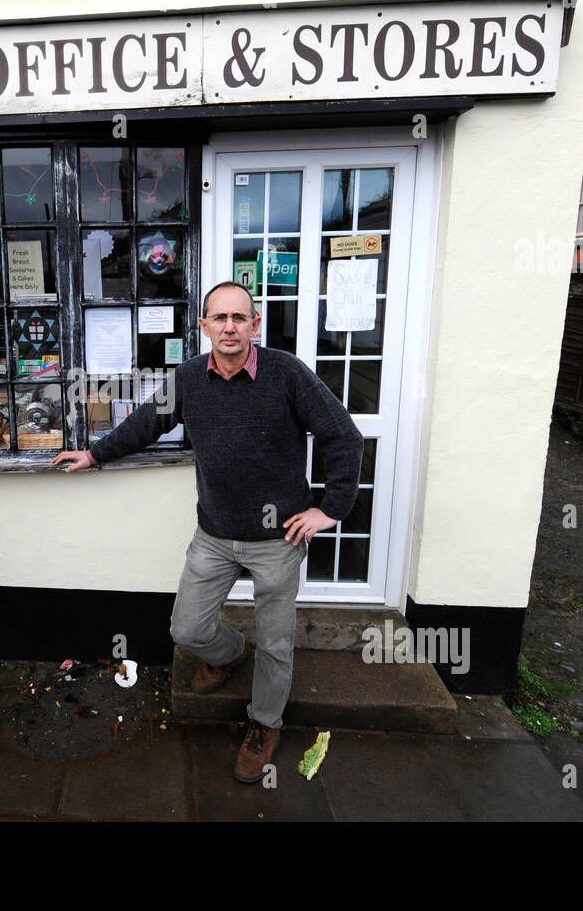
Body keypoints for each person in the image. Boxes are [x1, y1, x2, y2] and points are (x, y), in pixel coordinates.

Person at [53, 280, 364, 782]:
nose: (229, 327)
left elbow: (342, 435)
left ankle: (265, 724)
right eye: (219, 318)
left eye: (239, 318)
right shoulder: (190, 379)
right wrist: (93, 454)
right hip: (215, 533)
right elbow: (144, 424)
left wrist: (331, 510)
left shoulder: (287, 374)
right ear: (203, 327)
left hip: (278, 539)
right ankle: (230, 652)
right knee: (187, 628)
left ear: (255, 325)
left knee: (278, 642)